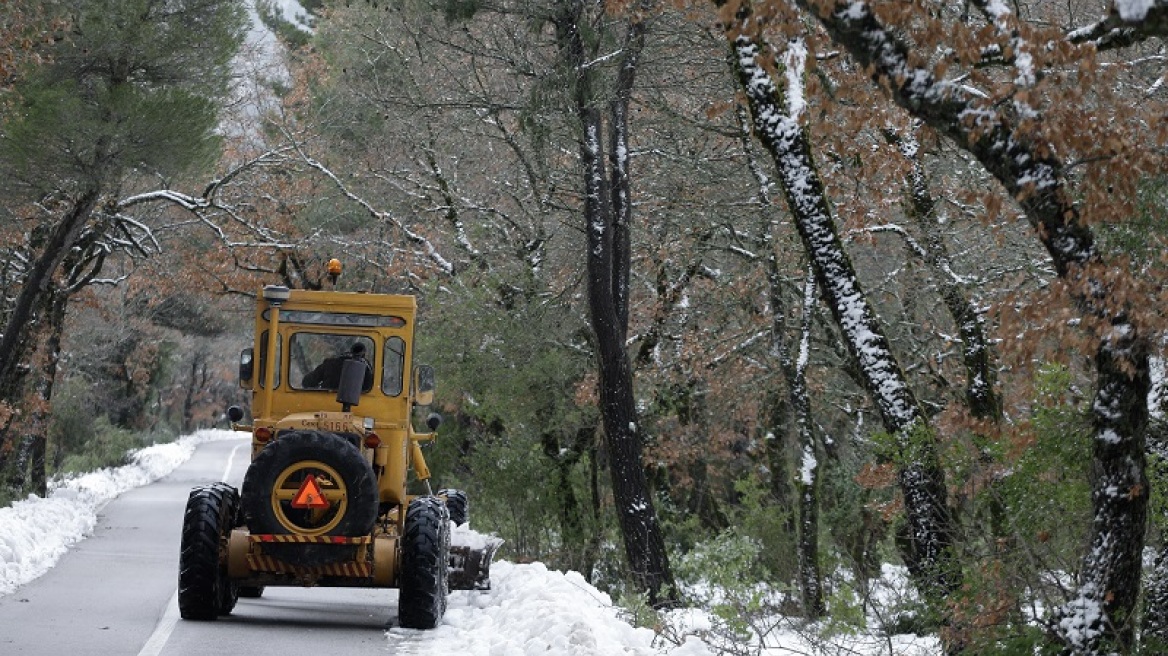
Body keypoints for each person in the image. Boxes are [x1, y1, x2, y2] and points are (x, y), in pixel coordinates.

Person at [302, 342, 373, 391]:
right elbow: (369, 387)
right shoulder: (366, 369)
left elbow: (307, 382)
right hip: (358, 406)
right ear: (363, 354)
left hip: (325, 402)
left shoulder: (330, 364)